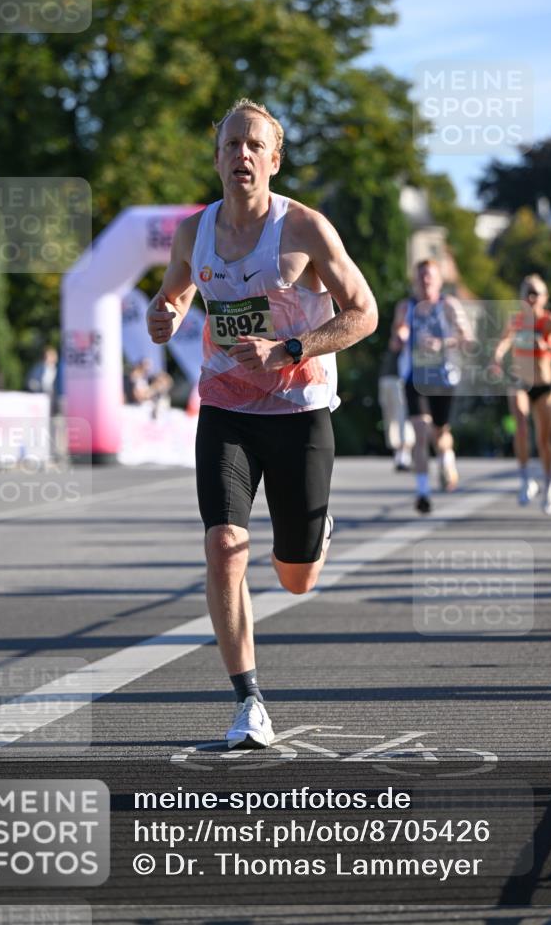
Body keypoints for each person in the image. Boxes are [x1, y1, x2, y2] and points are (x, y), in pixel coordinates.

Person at [147, 98, 378, 748]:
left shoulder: (304, 229)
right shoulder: (195, 231)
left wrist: (291, 349)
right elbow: (173, 293)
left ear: (273, 160)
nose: (240, 155)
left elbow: (363, 313)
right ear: (217, 157)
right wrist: (161, 313)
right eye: (230, 145)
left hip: (298, 410)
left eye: (254, 146)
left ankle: (314, 532)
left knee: (294, 576)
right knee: (224, 545)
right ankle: (248, 699)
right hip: (225, 408)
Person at [389, 259, 472, 514]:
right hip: (415, 378)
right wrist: (400, 337)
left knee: (440, 433)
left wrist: (442, 344)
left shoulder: (448, 306)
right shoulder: (406, 307)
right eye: (421, 276)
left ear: (439, 280)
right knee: (421, 432)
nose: (426, 281)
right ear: (415, 279)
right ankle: (423, 491)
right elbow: (394, 342)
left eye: (430, 277)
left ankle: (447, 458)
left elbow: (467, 338)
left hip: (443, 379)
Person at [492, 274, 551, 514]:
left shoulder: (550, 322)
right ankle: (525, 478)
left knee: (543, 440)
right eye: (526, 293)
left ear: (544, 298)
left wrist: (547, 346)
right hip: (520, 382)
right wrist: (496, 357)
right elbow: (504, 342)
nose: (530, 298)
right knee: (519, 423)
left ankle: (549, 485)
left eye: (535, 293)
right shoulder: (516, 320)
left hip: (544, 387)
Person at [378, 347, 414, 470]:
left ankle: (404, 453)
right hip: (387, 379)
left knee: (402, 416)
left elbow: (400, 339)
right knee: (390, 418)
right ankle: (399, 452)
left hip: (400, 380)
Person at [27, 346, 60, 414]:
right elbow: (32, 382)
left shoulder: (59, 369)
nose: (52, 358)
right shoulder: (38, 368)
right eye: (49, 356)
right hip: (41, 397)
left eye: (53, 356)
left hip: (54, 398)